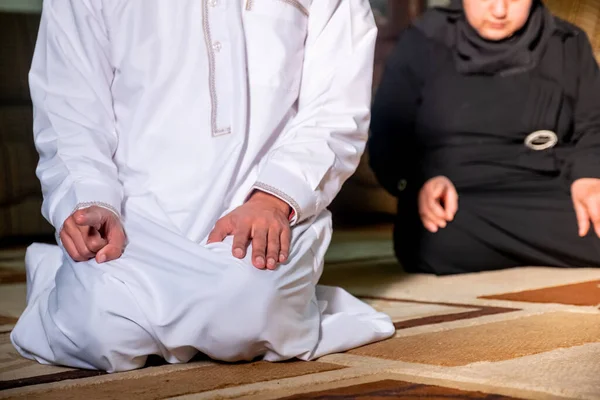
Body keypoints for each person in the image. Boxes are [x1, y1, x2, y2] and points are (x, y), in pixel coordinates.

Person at [10, 0, 395, 373]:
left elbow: (336, 105)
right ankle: (71, 283)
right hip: (133, 209)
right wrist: (91, 199)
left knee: (247, 314)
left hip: (256, 205)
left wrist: (274, 197)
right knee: (92, 329)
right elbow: (70, 105)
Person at [369, 0, 600, 275]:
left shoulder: (567, 42)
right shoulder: (424, 39)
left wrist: (588, 176)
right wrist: (421, 182)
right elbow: (387, 135)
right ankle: (549, 245)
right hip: (460, 201)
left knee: (594, 220)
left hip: (547, 190)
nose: (499, 10)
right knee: (431, 237)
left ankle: (506, 246)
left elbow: (593, 124)